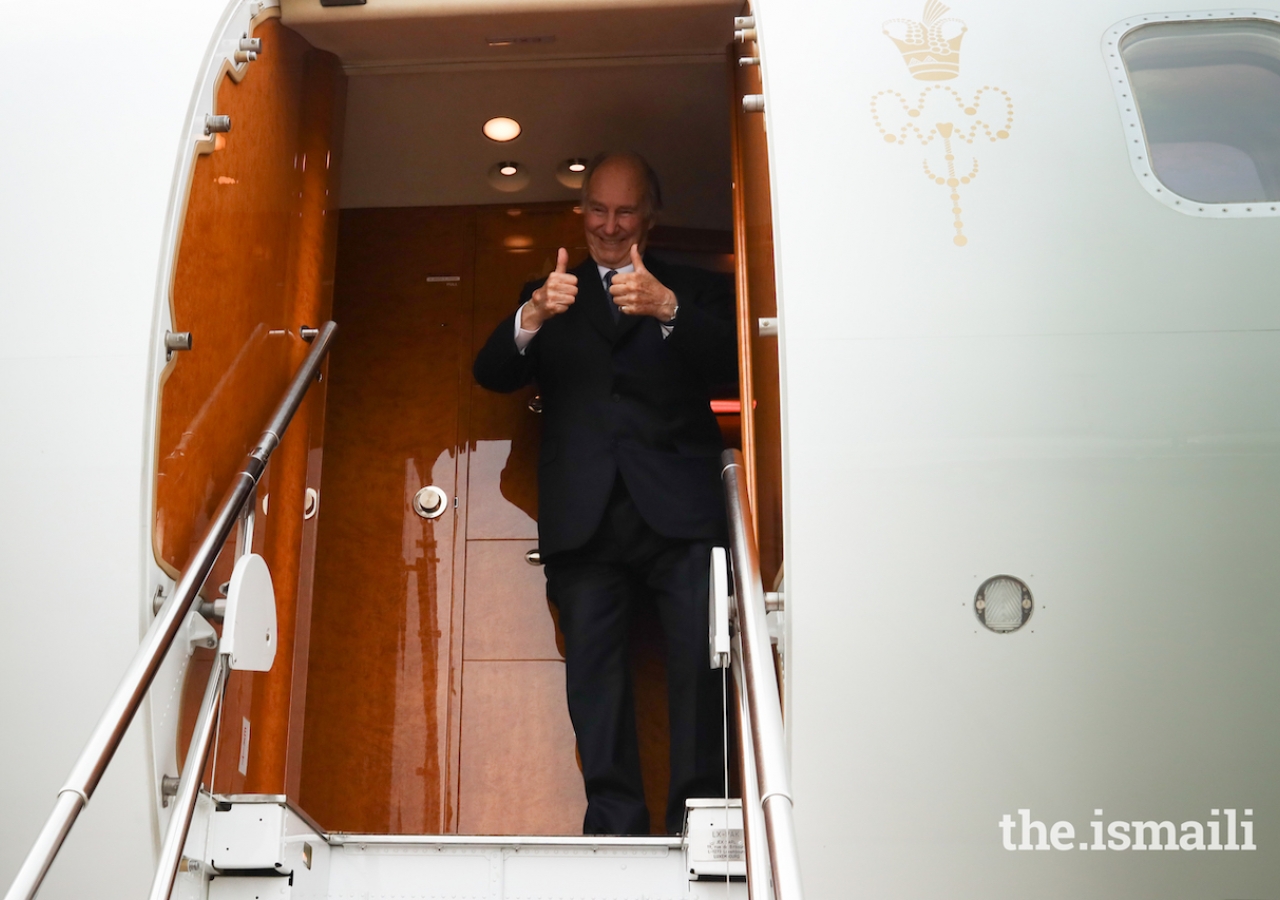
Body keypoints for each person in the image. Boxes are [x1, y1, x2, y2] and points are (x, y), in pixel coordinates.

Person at [472, 151, 737, 835]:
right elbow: (491, 372)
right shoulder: (551, 289)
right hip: (585, 520)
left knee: (697, 674)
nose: (610, 226)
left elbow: (740, 360)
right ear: (581, 209)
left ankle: (699, 823)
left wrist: (668, 308)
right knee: (594, 678)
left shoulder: (693, 288)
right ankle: (614, 827)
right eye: (598, 208)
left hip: (679, 514)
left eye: (625, 211)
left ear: (650, 215)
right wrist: (531, 314)